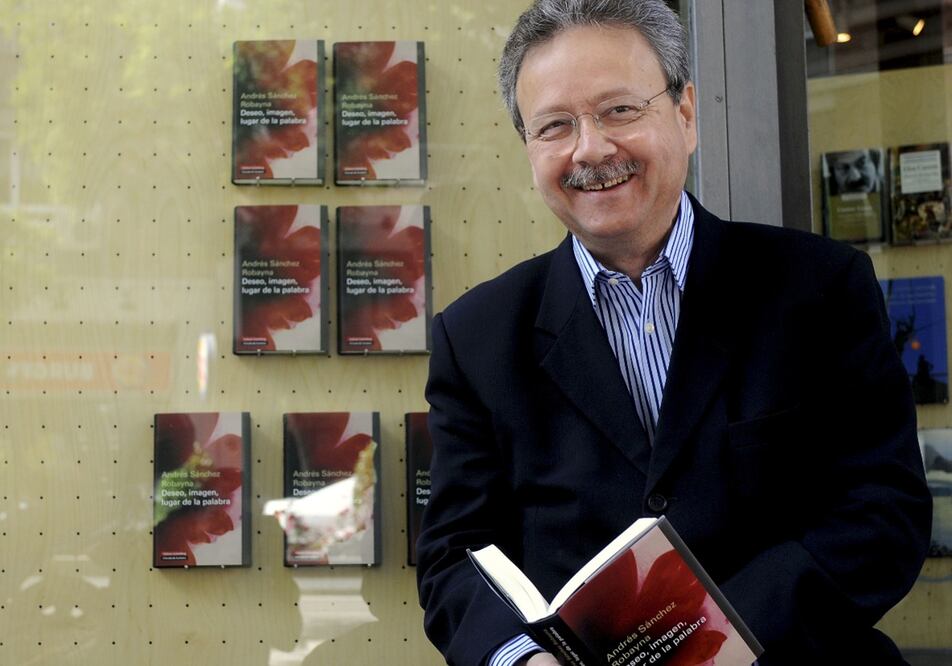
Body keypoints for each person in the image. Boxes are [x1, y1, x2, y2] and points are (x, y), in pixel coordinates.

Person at [416, 1, 933, 665]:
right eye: (555, 126)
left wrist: (711, 640)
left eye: (619, 110)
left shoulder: (820, 289)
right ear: (529, 147)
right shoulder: (476, 338)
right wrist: (520, 658)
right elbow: (455, 557)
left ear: (685, 115)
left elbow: (883, 511)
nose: (590, 149)